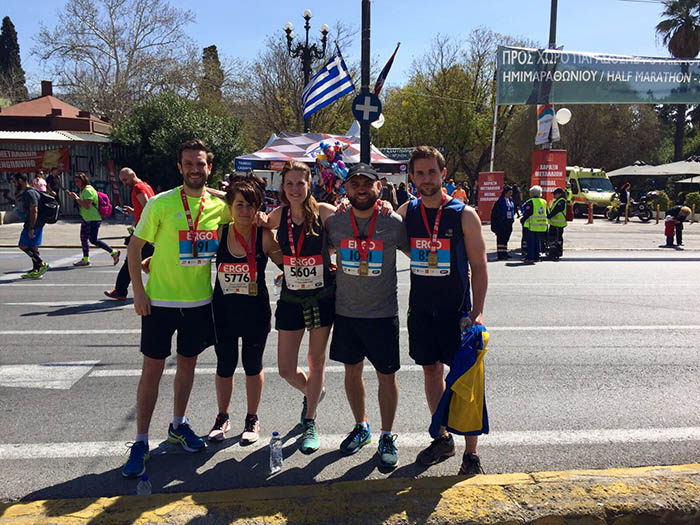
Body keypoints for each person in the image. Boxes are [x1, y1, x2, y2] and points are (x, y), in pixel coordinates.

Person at [122, 139, 228, 478]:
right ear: (179, 167)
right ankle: (140, 440)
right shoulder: (160, 203)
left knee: (187, 367)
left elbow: (249, 211)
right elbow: (134, 248)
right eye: (189, 164)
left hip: (198, 302)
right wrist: (138, 293)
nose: (195, 169)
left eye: (201, 164)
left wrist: (223, 194)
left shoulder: (218, 206)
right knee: (151, 371)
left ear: (209, 168)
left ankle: (178, 424)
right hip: (160, 302)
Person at [397, 146, 488, 476]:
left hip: (458, 313)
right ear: (411, 177)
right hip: (421, 311)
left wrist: (477, 312)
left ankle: (472, 453)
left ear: (443, 174)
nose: (426, 179)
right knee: (431, 372)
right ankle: (442, 438)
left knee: (466, 381)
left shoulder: (464, 214)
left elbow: (479, 266)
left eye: (431, 172)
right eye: (419, 173)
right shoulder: (407, 211)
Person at [326, 163, 408, 469]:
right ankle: (361, 426)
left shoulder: (393, 222)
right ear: (346, 189)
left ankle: (387, 434)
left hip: (383, 313)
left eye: (367, 184)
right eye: (355, 184)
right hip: (346, 313)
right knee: (352, 372)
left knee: (387, 376)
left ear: (379, 187)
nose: (361, 189)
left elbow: (418, 253)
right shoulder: (335, 221)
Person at [255, 160, 336, 454]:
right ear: (282, 186)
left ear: (309, 183)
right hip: (290, 297)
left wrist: (385, 208)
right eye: (288, 183)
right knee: (286, 368)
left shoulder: (325, 212)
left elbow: (354, 223)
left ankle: (310, 419)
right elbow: (254, 217)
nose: (294, 189)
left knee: (316, 362)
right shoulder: (279, 215)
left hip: (322, 297)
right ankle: (312, 391)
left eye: (300, 183)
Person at [207, 176, 283, 444]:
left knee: (253, 365)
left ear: (258, 207)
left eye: (251, 205)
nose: (245, 211)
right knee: (225, 365)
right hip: (224, 312)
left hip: (255, 312)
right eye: (239, 205)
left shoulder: (264, 236)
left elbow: (288, 261)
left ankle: (252, 418)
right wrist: (152, 260)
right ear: (230, 207)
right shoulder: (220, 233)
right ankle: (222, 416)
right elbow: (189, 257)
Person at [104, 168, 155, 300]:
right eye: (122, 181)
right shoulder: (146, 186)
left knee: (133, 262)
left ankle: (120, 291)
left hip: (142, 232)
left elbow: (147, 207)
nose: (124, 183)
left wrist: (147, 231)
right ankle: (120, 290)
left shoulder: (138, 188)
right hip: (145, 231)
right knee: (133, 262)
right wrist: (133, 211)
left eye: (125, 179)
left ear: (133, 175)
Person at [67, 172, 120, 267]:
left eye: (78, 181)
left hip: (93, 219)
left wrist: (76, 198)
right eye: (75, 181)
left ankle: (113, 252)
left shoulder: (88, 190)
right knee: (84, 239)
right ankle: (85, 259)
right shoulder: (83, 190)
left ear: (83, 181)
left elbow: (87, 205)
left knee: (93, 240)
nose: (76, 183)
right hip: (87, 218)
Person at [12, 173, 49, 279]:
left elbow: (34, 209)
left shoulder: (30, 193)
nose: (14, 184)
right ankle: (36, 270)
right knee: (33, 247)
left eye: (15, 182)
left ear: (20, 180)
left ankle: (42, 264)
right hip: (36, 223)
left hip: (33, 224)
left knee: (22, 245)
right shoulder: (30, 192)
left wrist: (31, 227)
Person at [520, 185, 547, 264]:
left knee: (530, 242)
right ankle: (536, 257)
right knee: (537, 242)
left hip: (531, 225)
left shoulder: (530, 202)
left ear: (532, 193)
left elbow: (528, 213)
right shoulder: (544, 201)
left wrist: (522, 220)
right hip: (541, 225)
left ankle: (530, 257)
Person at [490, 186, 515, 260]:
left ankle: (505, 252)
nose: (510, 194)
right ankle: (500, 254)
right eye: (509, 192)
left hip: (509, 222)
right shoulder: (500, 201)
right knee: (501, 238)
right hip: (501, 223)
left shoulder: (510, 201)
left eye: (511, 192)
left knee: (506, 238)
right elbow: (496, 213)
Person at [547, 187, 568, 260]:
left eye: (555, 194)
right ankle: (556, 252)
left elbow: (556, 210)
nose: (554, 195)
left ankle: (555, 253)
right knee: (557, 239)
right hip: (555, 223)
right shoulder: (558, 200)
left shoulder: (561, 201)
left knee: (556, 239)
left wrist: (549, 216)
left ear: (559, 194)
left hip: (558, 224)